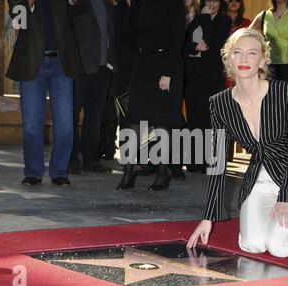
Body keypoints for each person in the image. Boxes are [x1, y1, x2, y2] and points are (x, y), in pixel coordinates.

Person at [187, 28, 288, 258]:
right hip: (258, 182)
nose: (243, 59)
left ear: (263, 59)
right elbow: (217, 161)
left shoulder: (284, 92)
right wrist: (207, 217)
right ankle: (281, 225)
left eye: (251, 53)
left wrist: (287, 197)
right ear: (228, 58)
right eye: (237, 52)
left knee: (280, 248)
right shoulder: (219, 103)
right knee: (252, 245)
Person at [6, 0, 83, 186]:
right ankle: (33, 171)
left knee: (65, 125)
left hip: (61, 63)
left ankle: (59, 172)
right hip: (31, 62)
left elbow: (80, 12)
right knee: (32, 124)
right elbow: (17, 19)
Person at [117, 0, 186, 191]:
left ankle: (163, 173)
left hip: (166, 63)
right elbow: (130, 34)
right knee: (134, 119)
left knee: (161, 122)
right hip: (142, 63)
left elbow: (178, 37)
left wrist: (168, 72)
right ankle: (128, 171)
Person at [68, 0, 116, 174]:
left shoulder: (107, 4)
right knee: (72, 113)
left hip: (104, 68)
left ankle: (90, 159)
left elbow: (111, 33)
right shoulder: (75, 2)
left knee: (95, 115)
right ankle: (71, 159)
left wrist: (111, 63)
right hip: (81, 67)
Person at [184, 0, 230, 173]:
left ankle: (210, 161)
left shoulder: (224, 21)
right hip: (193, 76)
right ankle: (194, 162)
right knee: (194, 117)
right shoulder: (195, 18)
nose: (212, 4)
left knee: (210, 120)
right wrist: (196, 48)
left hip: (211, 78)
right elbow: (185, 43)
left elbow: (214, 42)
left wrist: (205, 18)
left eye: (215, 1)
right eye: (209, 0)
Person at [249, 0, 288, 85]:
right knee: (268, 96)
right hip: (268, 65)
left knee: (287, 96)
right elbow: (246, 34)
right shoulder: (264, 15)